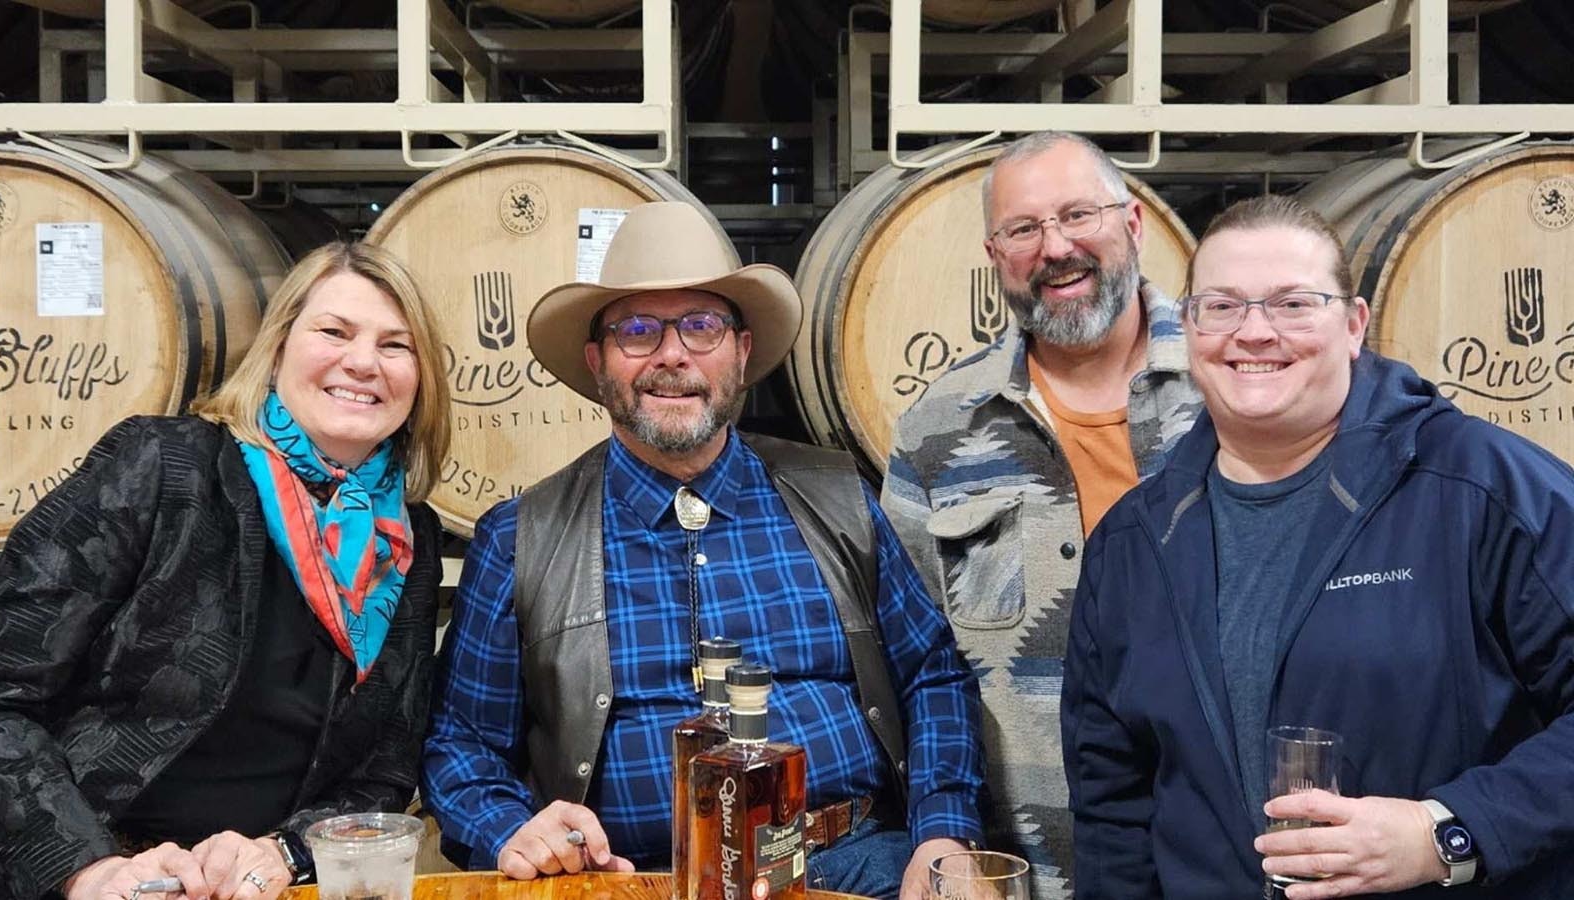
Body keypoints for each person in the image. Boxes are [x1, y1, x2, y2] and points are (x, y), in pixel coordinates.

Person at [423, 201, 985, 900]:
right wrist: (511, 828)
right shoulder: (521, 536)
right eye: (636, 330)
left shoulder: (837, 496)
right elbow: (461, 745)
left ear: (742, 352)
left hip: (851, 866)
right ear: (597, 362)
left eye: (701, 325)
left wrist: (944, 838)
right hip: (628, 880)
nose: (672, 354)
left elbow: (932, 674)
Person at [1061, 194, 1574, 898]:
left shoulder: (1481, 487)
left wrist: (1449, 832)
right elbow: (1114, 808)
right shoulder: (1134, 542)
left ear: (1355, 324)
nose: (1255, 332)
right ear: (1187, 327)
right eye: (1223, 306)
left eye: (1294, 304)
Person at [0, 242, 452, 900]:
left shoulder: (405, 538)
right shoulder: (162, 466)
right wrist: (89, 867)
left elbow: (380, 771)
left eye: (396, 345)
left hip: (259, 886)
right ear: (278, 346)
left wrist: (286, 851)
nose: (363, 362)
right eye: (334, 332)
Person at [881, 131, 1202, 896]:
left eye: (1077, 215)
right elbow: (920, 669)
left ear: (1133, 224)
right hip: (1027, 872)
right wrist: (944, 832)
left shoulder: (1233, 382)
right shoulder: (939, 428)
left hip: (1227, 854)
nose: (1055, 247)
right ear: (996, 257)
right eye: (1023, 229)